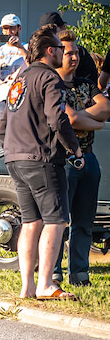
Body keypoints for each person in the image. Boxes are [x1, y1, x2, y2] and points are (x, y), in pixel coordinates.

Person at [0, 25, 80, 301]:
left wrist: (9, 148)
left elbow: (3, 122)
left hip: (15, 158)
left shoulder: (18, 79)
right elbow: (58, 119)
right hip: (42, 159)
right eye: (60, 48)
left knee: (31, 222)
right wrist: (75, 149)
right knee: (56, 222)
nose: (63, 51)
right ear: (49, 51)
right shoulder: (50, 78)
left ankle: (27, 287)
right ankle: (45, 284)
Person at [52, 30, 107, 288]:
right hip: (63, 161)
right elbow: (69, 119)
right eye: (68, 52)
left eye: (76, 52)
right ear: (57, 52)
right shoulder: (51, 84)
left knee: (84, 222)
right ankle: (53, 272)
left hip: (89, 160)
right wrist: (90, 119)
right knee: (59, 221)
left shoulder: (87, 82)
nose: (73, 56)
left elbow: (105, 108)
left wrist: (82, 119)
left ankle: (80, 274)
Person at [0, 13, 27, 114]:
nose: (9, 32)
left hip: (21, 96)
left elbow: (33, 65)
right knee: (3, 128)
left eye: (12, 28)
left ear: (19, 28)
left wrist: (19, 46)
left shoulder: (27, 47)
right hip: (2, 97)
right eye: (5, 29)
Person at [39, 11, 99, 82]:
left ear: (63, 28)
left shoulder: (80, 53)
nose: (50, 35)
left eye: (52, 29)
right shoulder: (41, 54)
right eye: (45, 31)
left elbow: (91, 81)